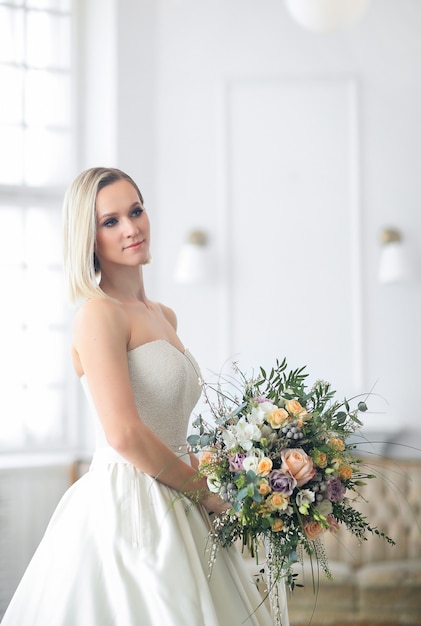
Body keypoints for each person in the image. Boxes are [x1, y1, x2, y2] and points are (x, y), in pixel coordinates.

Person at [1, 167, 272, 625]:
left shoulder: (164, 314)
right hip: (131, 506)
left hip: (180, 494)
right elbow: (124, 433)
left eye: (136, 211)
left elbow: (170, 421)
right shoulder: (97, 315)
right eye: (111, 221)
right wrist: (203, 493)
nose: (131, 228)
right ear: (88, 238)